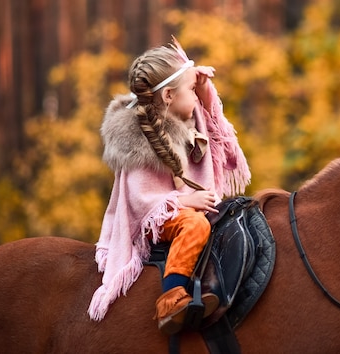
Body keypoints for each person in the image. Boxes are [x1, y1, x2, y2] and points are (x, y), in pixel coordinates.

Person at [87, 36, 251, 334]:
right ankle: (171, 298)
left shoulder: (182, 121)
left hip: (178, 208)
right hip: (158, 219)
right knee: (196, 226)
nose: (197, 97)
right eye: (191, 90)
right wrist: (188, 202)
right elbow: (142, 203)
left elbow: (215, 129)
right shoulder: (139, 141)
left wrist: (201, 87)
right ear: (168, 97)